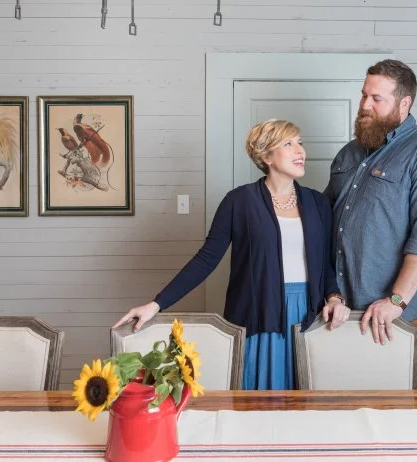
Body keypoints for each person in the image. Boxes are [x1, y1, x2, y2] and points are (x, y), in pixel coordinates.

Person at [113, 119, 350, 390]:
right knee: (261, 406)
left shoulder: (318, 203)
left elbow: (327, 265)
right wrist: (156, 304)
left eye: (300, 143)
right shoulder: (239, 201)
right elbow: (206, 259)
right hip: (259, 315)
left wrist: (334, 297)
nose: (300, 151)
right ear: (265, 155)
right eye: (288, 144)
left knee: (306, 409)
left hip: (308, 315)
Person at [323, 59, 417, 345]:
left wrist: (396, 301)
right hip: (337, 312)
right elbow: (324, 225)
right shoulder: (348, 154)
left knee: (391, 392)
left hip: (391, 316)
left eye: (376, 99)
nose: (364, 105)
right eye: (363, 95)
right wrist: (331, 294)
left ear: (404, 103)